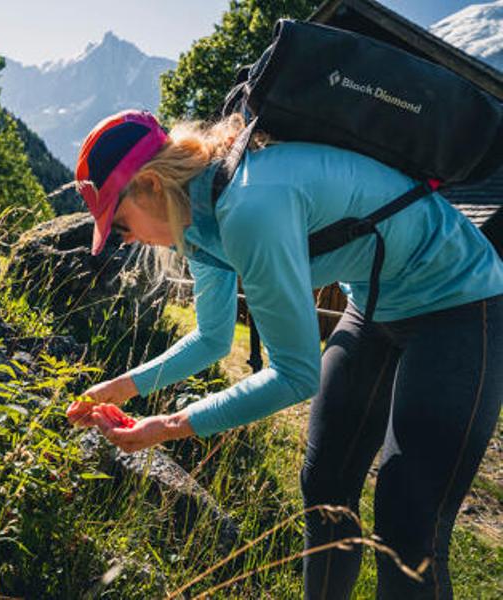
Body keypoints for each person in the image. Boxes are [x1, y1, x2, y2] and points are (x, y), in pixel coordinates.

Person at [65, 109, 503, 599]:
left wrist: (167, 427)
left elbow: (296, 374)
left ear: (149, 184)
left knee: (408, 520)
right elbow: (212, 338)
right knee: (325, 489)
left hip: (461, 303)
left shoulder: (248, 207)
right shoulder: (200, 215)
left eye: (120, 223)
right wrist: (119, 388)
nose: (124, 239)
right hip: (374, 303)